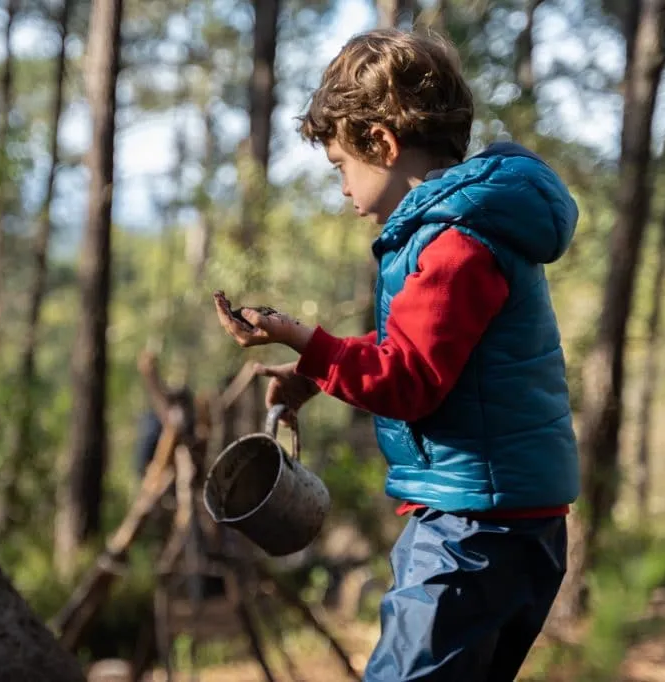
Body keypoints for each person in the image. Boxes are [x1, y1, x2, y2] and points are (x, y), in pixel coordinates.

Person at [213, 28, 579, 682]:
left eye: (341, 167)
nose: (343, 188)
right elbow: (425, 352)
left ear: (380, 142)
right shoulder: (467, 228)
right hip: (508, 521)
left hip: (472, 528)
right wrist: (310, 375)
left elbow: (408, 381)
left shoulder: (452, 246)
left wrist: (298, 334)